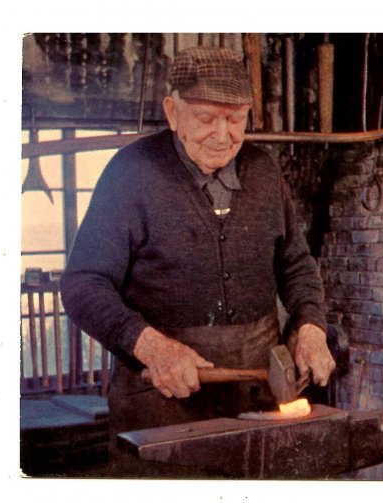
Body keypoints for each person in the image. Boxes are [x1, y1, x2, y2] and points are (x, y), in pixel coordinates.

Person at [60, 47, 335, 473]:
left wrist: (310, 327)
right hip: (162, 398)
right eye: (207, 118)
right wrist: (150, 347)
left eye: (236, 118)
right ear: (173, 112)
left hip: (260, 391)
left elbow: (296, 265)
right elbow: (83, 284)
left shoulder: (264, 172)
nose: (223, 134)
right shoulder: (130, 173)